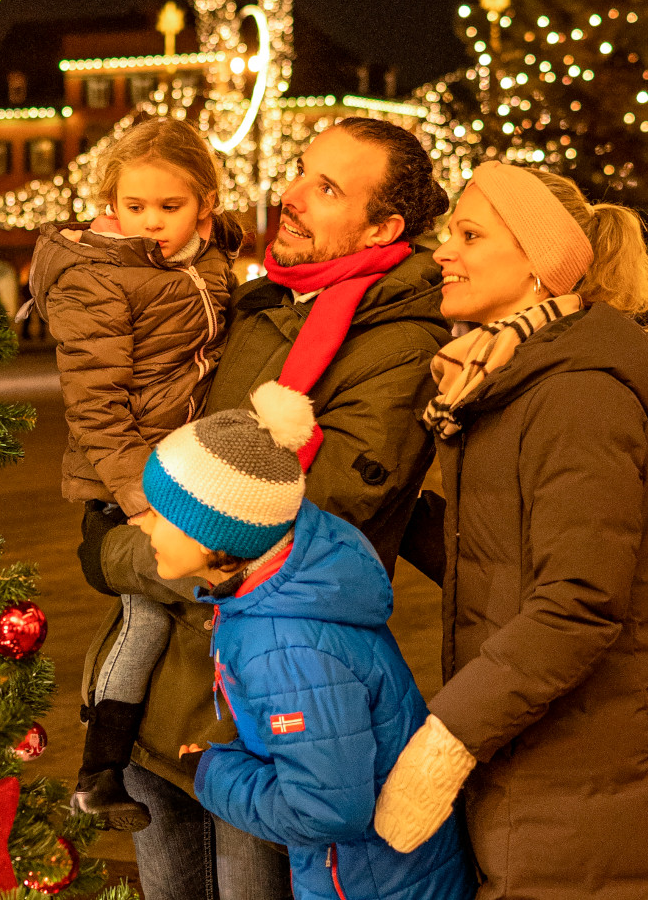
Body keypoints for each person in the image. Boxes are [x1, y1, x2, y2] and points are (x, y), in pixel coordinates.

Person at [82, 116, 453, 899]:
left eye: (327, 188)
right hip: (167, 690)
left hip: (257, 709)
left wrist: (117, 553)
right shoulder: (265, 300)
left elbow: (290, 523)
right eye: (300, 171)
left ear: (384, 226)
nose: (291, 197)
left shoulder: (398, 340)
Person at [373, 161, 648, 899]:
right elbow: (502, 557)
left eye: (471, 234)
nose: (443, 251)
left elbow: (577, 603)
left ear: (540, 266)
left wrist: (444, 744)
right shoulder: (503, 383)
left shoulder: (577, 396)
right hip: (533, 764)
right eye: (449, 231)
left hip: (583, 781)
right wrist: (383, 505)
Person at [134, 379, 476, 900]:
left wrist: (213, 771)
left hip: (367, 883)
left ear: (217, 540)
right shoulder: (280, 588)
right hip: (376, 873)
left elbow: (325, 809)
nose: (144, 525)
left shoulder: (287, 649)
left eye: (161, 514)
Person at [24, 116, 240, 830]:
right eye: (133, 207)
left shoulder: (202, 259)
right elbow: (97, 408)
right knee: (149, 614)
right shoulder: (101, 278)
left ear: (205, 204)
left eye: (169, 207)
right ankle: (100, 766)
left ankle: (178, 748)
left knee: (173, 617)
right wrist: (142, 504)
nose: (149, 224)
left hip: (186, 470)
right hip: (132, 482)